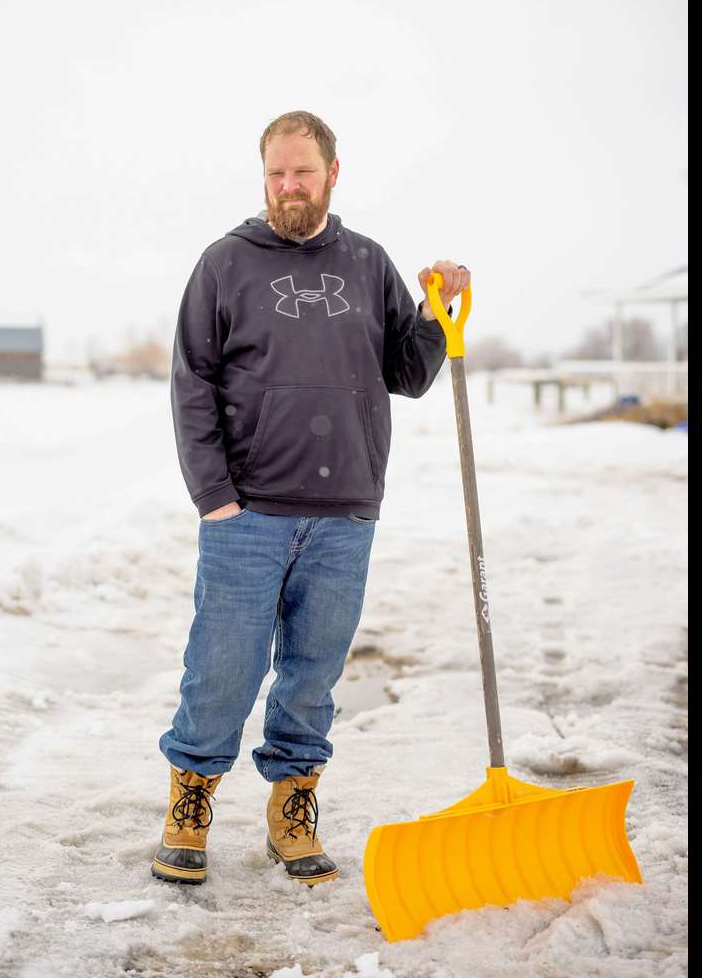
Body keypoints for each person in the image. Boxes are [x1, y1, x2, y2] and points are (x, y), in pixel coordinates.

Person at [154, 110, 471, 886]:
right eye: (275, 173)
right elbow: (191, 382)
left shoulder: (367, 262)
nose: (288, 185)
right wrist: (213, 495)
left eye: (302, 170)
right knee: (223, 666)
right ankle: (190, 800)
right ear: (263, 176)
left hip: (345, 512)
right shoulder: (225, 263)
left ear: (333, 172)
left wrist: (434, 312)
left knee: (312, 673)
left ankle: (292, 807)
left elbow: (408, 371)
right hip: (248, 511)